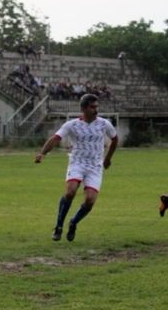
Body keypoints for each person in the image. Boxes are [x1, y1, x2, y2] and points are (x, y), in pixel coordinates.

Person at [35, 94, 118, 242]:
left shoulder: (104, 124)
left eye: (97, 106)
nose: (96, 110)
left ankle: (73, 223)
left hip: (95, 166)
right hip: (77, 163)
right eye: (93, 107)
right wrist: (42, 153)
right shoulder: (72, 125)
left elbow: (115, 139)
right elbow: (55, 139)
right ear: (84, 108)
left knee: (90, 201)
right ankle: (58, 227)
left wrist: (108, 159)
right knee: (70, 192)